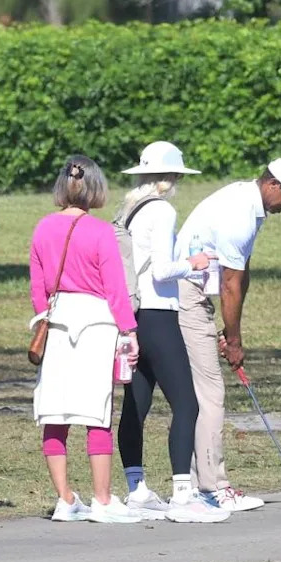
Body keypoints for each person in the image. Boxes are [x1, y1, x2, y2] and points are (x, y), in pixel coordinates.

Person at [174, 157, 281, 512]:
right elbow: (230, 284)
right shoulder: (240, 215)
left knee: (202, 393)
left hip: (196, 297)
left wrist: (228, 329)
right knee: (210, 393)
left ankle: (195, 484)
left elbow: (241, 272)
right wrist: (234, 341)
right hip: (188, 295)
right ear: (273, 186)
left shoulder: (246, 204)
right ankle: (212, 487)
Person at [114, 142, 230, 523]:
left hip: (133, 314)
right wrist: (193, 264)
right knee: (187, 404)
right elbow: (163, 270)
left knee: (137, 404)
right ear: (173, 177)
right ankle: (183, 492)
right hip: (159, 312)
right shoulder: (162, 211)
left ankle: (137, 489)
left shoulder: (130, 208)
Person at [29, 155, 142, 523]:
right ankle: (103, 498)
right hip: (96, 323)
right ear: (94, 188)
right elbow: (115, 288)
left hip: (57, 318)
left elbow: (37, 285)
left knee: (56, 413)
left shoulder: (43, 227)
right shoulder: (101, 231)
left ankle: (65, 497)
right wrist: (129, 330)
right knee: (98, 415)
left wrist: (43, 315)